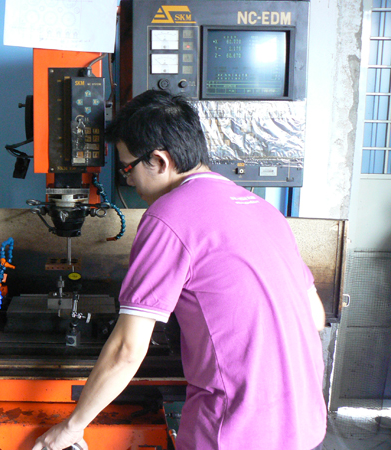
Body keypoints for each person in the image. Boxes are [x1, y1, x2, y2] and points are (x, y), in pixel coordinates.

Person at [32, 90, 327, 450]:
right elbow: (315, 317)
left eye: (128, 168)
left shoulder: (169, 215)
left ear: (158, 161)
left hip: (235, 432)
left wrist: (73, 426)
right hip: (305, 426)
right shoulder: (264, 210)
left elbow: (127, 349)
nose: (129, 182)